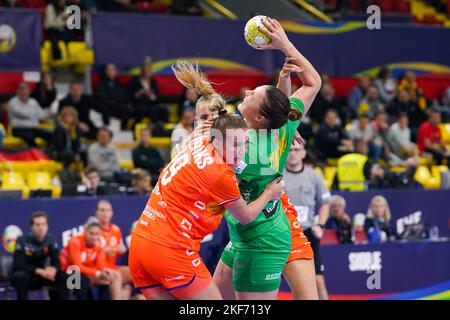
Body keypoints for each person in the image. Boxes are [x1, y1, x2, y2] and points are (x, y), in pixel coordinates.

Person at [129, 61, 284, 300]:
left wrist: (280, 135)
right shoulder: (220, 174)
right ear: (218, 140)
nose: (241, 151)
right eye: (236, 145)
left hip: (141, 246)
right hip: (171, 250)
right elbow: (244, 216)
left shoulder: (197, 142)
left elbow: (244, 127)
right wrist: (269, 194)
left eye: (244, 144)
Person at [214, 18, 321, 300]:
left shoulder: (240, 148)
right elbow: (313, 82)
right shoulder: (284, 126)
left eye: (253, 94)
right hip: (255, 228)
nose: (247, 91)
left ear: (260, 117)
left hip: (258, 234)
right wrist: (285, 45)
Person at [284, 141, 331, 300]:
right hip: (282, 233)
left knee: (318, 281)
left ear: (304, 153)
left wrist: (321, 225)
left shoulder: (314, 176)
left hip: (307, 234)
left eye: (297, 149)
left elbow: (325, 203)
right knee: (272, 282)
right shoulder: (277, 174)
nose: (293, 153)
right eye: (290, 150)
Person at [59, 216, 123, 300]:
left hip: (83, 272)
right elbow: (77, 266)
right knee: (81, 280)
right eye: (91, 233)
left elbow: (100, 266)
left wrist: (105, 272)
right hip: (66, 270)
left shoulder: (99, 244)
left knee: (107, 279)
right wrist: (98, 273)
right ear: (85, 232)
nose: (94, 237)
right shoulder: (75, 242)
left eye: (96, 234)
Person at [10, 212, 69, 300]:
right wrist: (38, 271)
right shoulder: (22, 240)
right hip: (26, 275)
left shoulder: (50, 239)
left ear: (47, 227)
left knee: (63, 276)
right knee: (21, 276)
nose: (41, 228)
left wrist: (54, 269)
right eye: (37, 225)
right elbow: (19, 264)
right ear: (32, 227)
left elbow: (56, 261)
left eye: (43, 224)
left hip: (42, 276)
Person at [95, 200, 132, 299]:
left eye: (108, 210)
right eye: (102, 210)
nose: (105, 213)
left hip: (113, 266)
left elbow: (122, 250)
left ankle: (136, 294)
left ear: (112, 212)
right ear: (96, 213)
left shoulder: (116, 229)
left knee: (136, 272)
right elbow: (92, 251)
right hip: (97, 267)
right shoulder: (93, 230)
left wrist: (120, 249)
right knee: (116, 276)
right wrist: (107, 250)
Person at [7, 82, 52, 147]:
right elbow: (22, 114)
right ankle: (36, 155)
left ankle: (51, 153)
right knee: (30, 137)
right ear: (17, 91)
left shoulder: (33, 102)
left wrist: (50, 112)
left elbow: (41, 115)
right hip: (18, 129)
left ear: (29, 91)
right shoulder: (12, 102)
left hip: (33, 128)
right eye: (21, 89)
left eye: (25, 89)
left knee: (51, 135)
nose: (23, 91)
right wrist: (33, 114)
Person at [95, 63, 133, 130]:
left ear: (116, 71)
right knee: (105, 109)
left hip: (119, 108)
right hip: (107, 109)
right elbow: (102, 98)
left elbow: (125, 98)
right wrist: (114, 103)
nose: (111, 72)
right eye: (109, 70)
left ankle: (124, 129)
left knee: (127, 109)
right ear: (105, 72)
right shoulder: (101, 84)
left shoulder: (120, 85)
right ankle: (106, 130)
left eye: (112, 69)